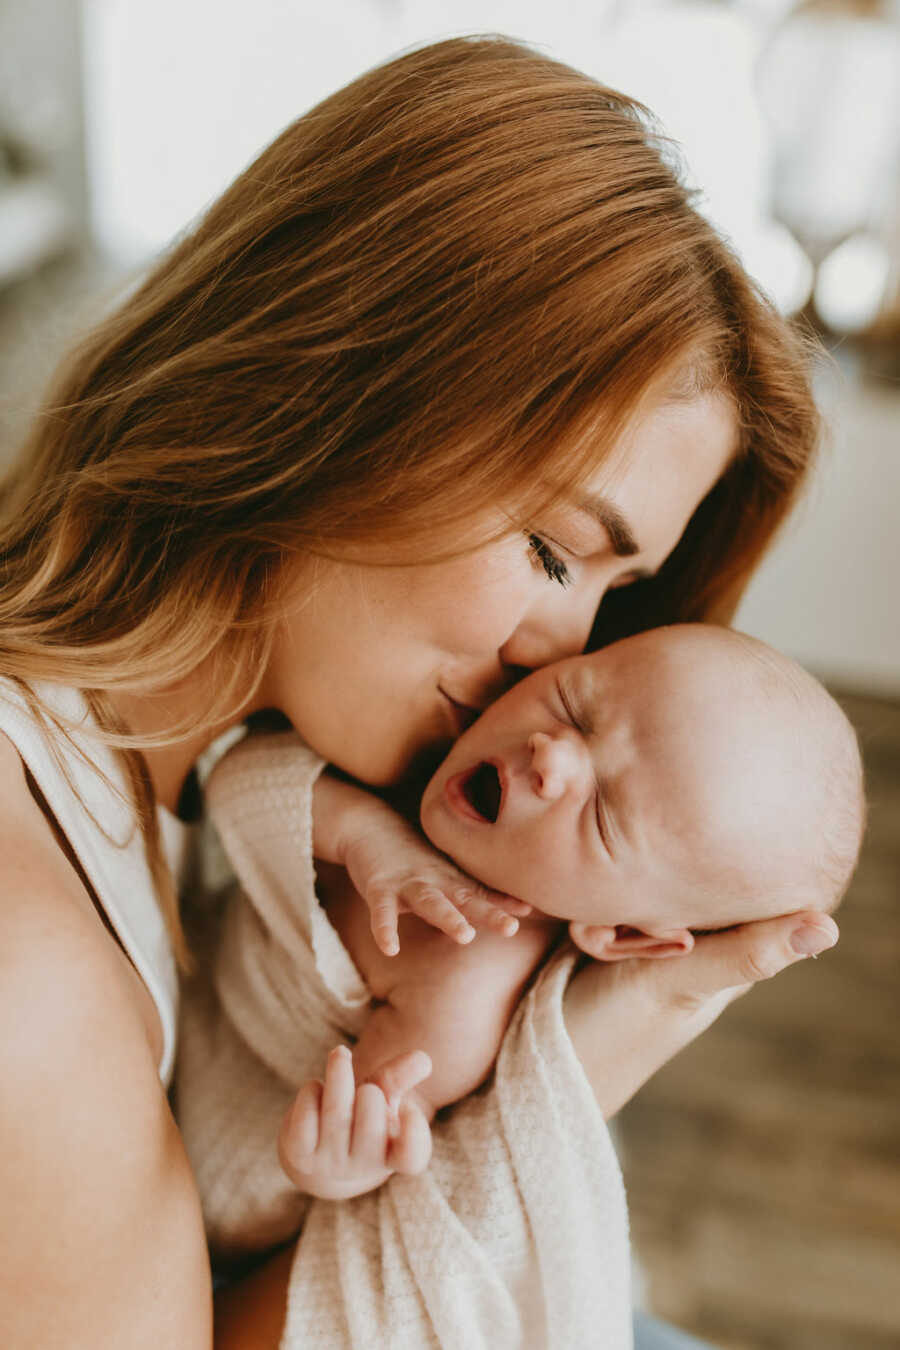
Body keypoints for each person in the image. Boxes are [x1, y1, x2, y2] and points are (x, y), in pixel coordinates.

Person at [0, 33, 840, 1350]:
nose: (556, 658)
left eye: (609, 602)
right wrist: (585, 1053)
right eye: (555, 549)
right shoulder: (33, 992)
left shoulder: (147, 768)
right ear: (333, 387)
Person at [180, 622, 861, 1208]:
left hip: (205, 1149)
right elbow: (228, 778)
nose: (552, 754)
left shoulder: (465, 981)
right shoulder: (419, 746)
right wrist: (359, 833)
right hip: (177, 967)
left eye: (602, 814)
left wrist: (336, 1166)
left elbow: (379, 1130)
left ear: (621, 935)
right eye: (577, 703)